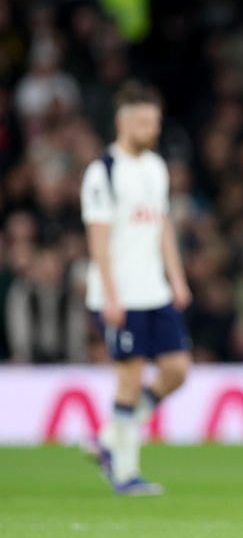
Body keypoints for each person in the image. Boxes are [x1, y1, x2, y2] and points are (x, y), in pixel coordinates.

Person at [80, 80, 192, 496]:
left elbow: (162, 225)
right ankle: (125, 473)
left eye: (155, 122)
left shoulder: (156, 167)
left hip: (154, 291)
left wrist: (176, 279)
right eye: (144, 121)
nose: (152, 129)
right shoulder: (104, 171)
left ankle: (109, 436)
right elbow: (98, 239)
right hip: (120, 294)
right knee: (129, 378)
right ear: (123, 122)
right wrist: (110, 295)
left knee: (177, 370)